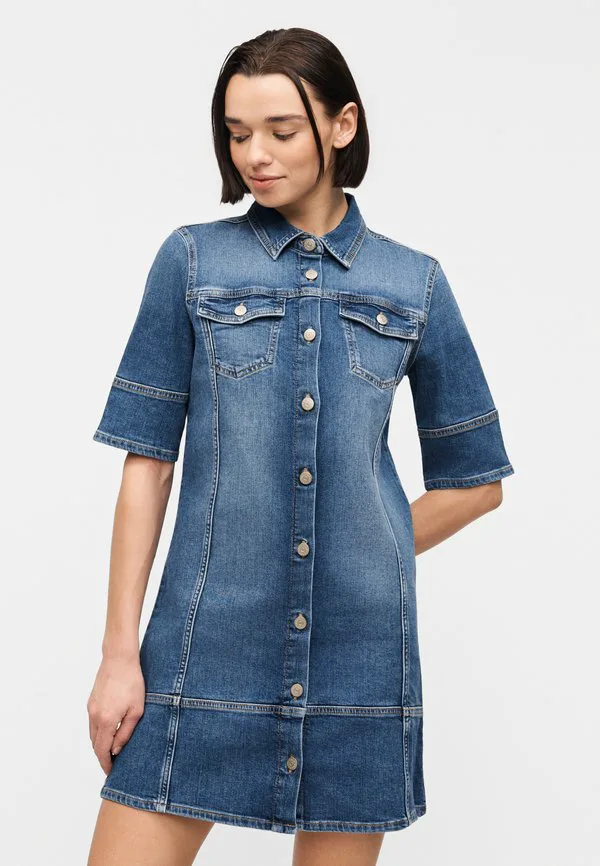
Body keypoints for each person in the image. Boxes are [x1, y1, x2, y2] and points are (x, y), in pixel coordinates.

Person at [86, 26, 515, 866]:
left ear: (342, 125)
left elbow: (476, 481)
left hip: (362, 655)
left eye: (281, 130)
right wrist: (117, 654)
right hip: (203, 645)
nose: (255, 154)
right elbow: (147, 464)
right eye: (237, 132)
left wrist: (364, 540)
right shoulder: (193, 262)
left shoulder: (414, 283)